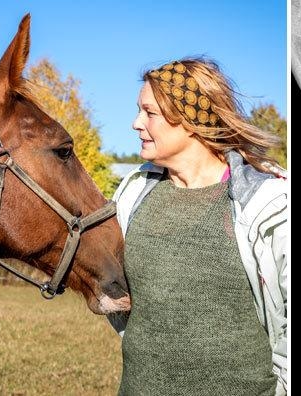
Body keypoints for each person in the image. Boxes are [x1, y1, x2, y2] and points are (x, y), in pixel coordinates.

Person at [108, 58, 287, 395]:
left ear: (189, 119)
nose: (136, 123)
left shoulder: (265, 203)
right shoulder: (132, 195)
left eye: (150, 113)